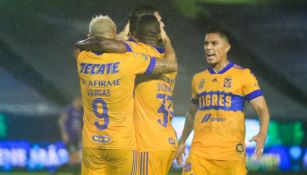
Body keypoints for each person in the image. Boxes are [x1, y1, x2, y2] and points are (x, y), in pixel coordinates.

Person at [76, 13, 178, 175]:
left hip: (94, 142)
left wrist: (123, 32)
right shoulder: (131, 60)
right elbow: (171, 65)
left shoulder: (82, 58)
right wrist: (166, 40)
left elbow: (93, 44)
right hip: (134, 142)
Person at [176, 26, 270, 175]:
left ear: (226, 48)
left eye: (214, 43)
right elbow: (191, 114)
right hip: (199, 154)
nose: (208, 47)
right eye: (206, 43)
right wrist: (182, 142)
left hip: (230, 156)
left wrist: (262, 134)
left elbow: (262, 110)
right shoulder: (198, 79)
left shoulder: (243, 75)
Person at [58, 97, 83, 175]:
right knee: (74, 159)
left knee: (76, 160)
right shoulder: (69, 110)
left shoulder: (79, 112)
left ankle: (56, 172)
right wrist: (64, 134)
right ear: (77, 100)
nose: (82, 103)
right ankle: (55, 172)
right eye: (81, 101)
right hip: (69, 138)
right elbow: (61, 121)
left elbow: (79, 127)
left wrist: (80, 138)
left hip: (76, 138)